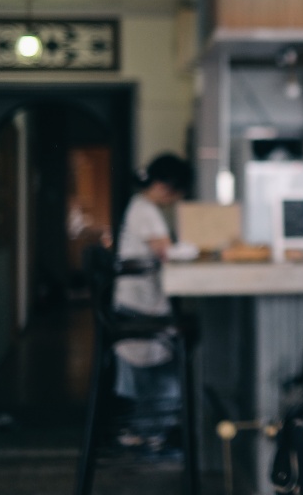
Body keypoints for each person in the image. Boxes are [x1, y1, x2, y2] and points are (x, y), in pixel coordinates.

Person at [111, 153, 193, 441]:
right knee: (162, 362)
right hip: (139, 308)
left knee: (161, 360)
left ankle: (149, 430)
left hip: (131, 305)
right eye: (177, 192)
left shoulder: (141, 207)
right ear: (165, 186)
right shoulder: (145, 210)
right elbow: (166, 251)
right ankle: (150, 433)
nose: (176, 199)